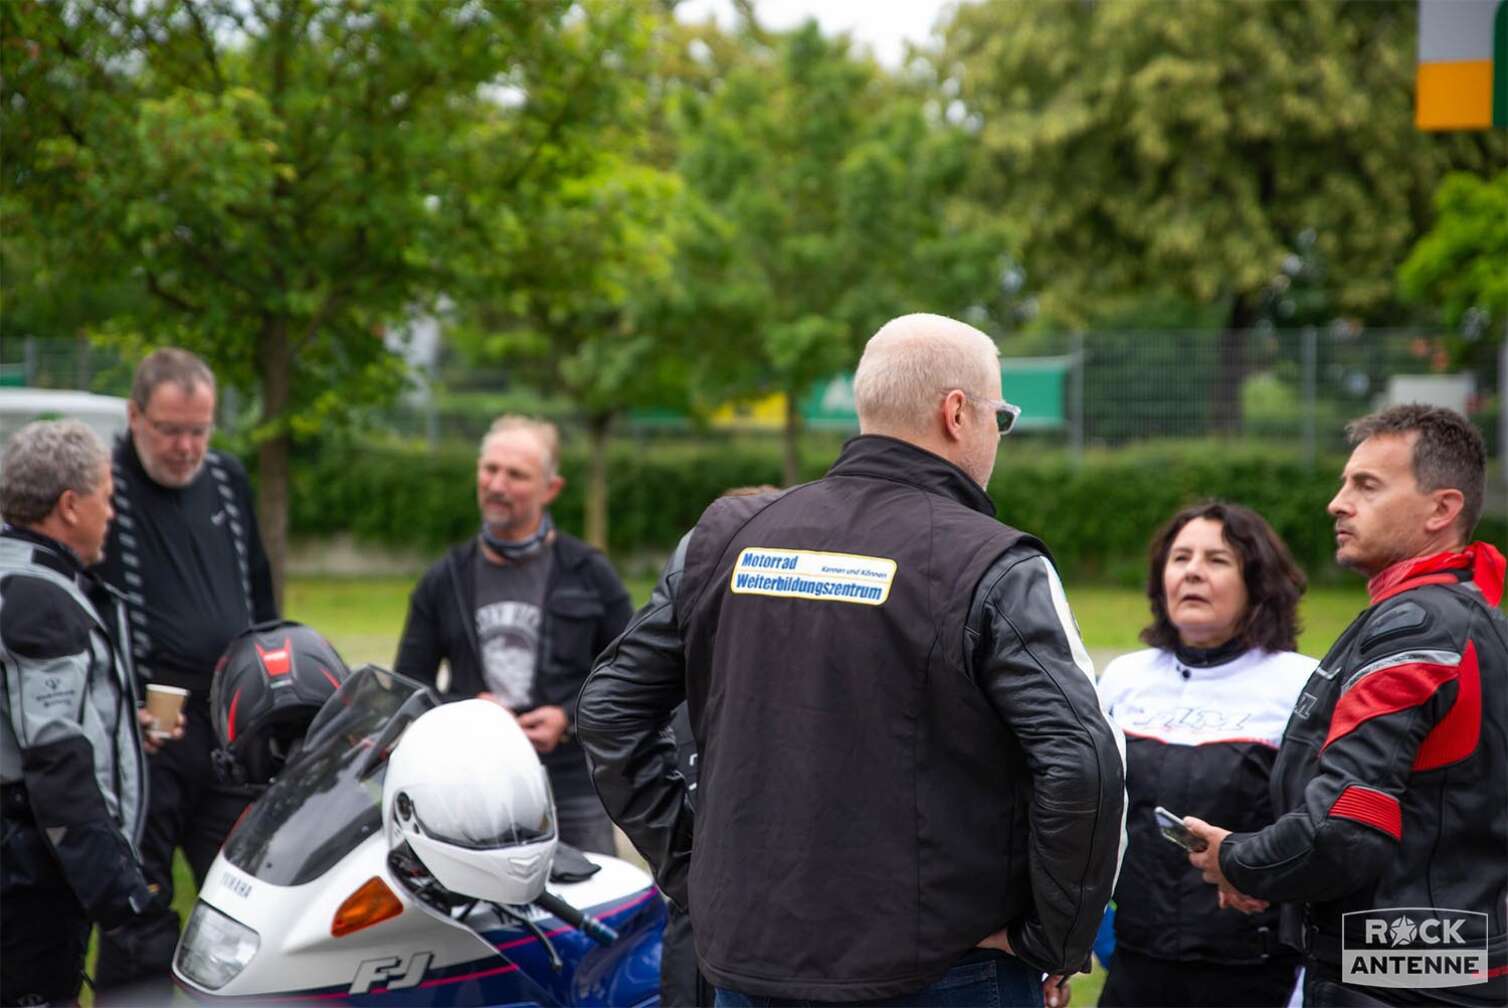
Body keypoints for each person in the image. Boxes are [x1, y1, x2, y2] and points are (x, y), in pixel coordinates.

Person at [576, 313, 1126, 1007]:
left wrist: (692, 863)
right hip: (943, 972)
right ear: (957, 413)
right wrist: (1051, 939)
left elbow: (606, 709)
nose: (997, 435)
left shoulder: (727, 537)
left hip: (756, 959)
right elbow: (1083, 761)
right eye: (1001, 417)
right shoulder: (992, 562)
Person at [1186, 405, 1506, 1007]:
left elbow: (1344, 829)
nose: (1337, 502)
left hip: (1398, 983)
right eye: (1343, 483)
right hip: (1447, 965)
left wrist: (1239, 859)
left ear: (1442, 509)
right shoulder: (1466, 617)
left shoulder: (1415, 626)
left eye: (1366, 485)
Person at [92, 348, 278, 995]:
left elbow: (258, 589)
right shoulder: (101, 486)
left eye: (198, 429)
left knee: (245, 904)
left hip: (229, 731)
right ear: (135, 415)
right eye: (170, 429)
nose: (185, 445)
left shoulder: (226, 478)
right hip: (144, 735)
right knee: (138, 910)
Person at [1096, 502, 1314, 1007]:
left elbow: (1322, 832)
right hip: (1135, 965)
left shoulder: (1301, 684)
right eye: (1180, 558)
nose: (1193, 570)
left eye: (1217, 560)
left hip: (1255, 972)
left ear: (1256, 582)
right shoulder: (1125, 678)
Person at [0, 420, 180, 1005]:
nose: (114, 513)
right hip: (26, 888)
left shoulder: (25, 578)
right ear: (70, 505)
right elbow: (55, 765)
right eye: (107, 496)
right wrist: (124, 901)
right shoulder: (37, 597)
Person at [394, 415, 632, 855]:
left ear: (550, 488)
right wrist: (464, 712)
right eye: (490, 469)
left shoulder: (589, 574)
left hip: (573, 784)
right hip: (472, 784)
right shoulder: (444, 579)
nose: (497, 484)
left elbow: (632, 674)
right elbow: (407, 687)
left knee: (591, 910)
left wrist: (568, 718)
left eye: (516, 474)